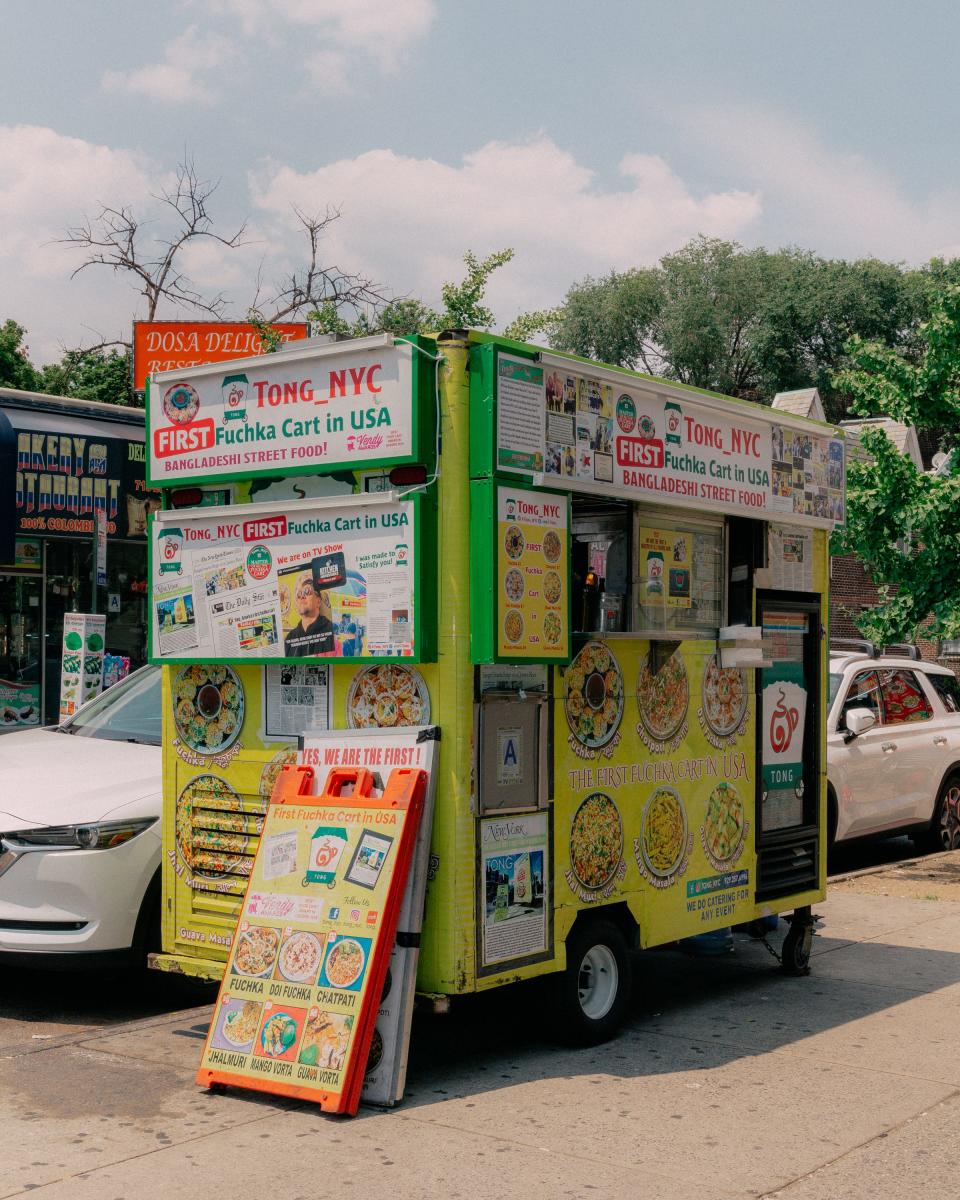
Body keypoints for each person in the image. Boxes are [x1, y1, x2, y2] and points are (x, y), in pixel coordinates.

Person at [283, 575, 333, 656]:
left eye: (307, 591)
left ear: (318, 602)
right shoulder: (290, 638)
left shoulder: (331, 631)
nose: (302, 596)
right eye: (299, 594)